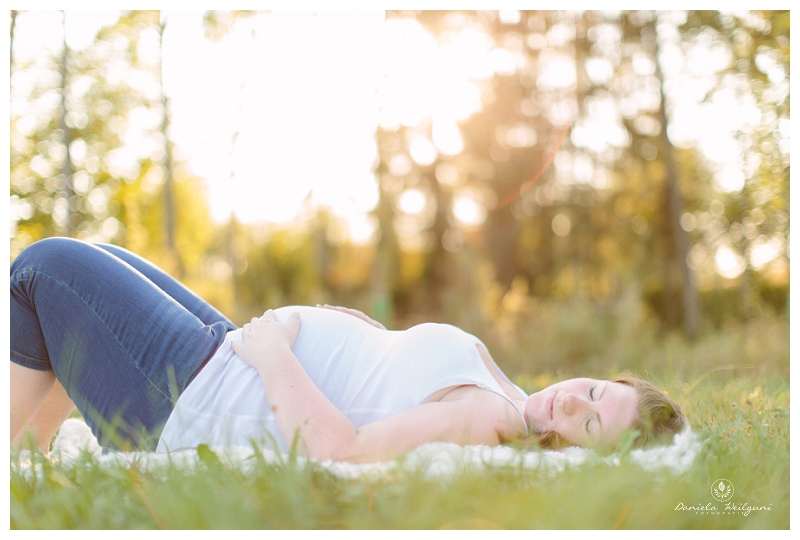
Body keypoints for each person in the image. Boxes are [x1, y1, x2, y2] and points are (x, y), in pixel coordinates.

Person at [10, 237, 687, 463]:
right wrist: (357, 330)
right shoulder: (510, 393)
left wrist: (277, 353)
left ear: (580, 455)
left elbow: (344, 452)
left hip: (198, 401)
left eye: (589, 423)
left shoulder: (497, 422)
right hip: (226, 359)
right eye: (595, 390)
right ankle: (26, 462)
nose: (572, 399)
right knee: (95, 258)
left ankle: (13, 465)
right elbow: (394, 371)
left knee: (42, 270)